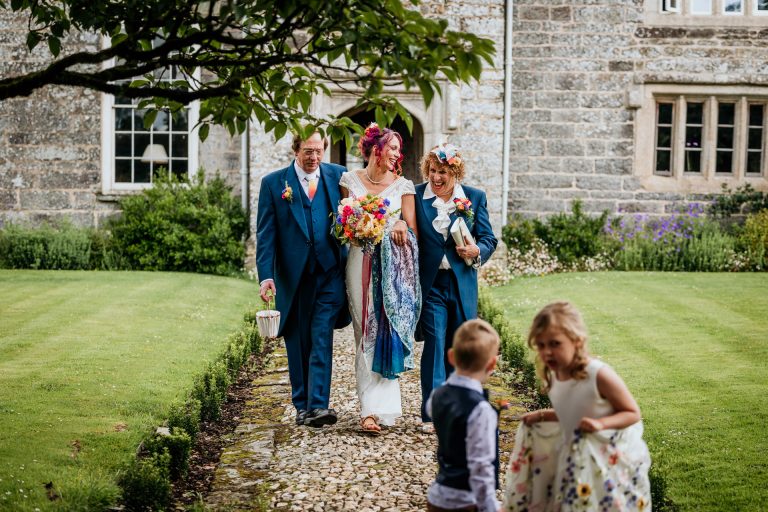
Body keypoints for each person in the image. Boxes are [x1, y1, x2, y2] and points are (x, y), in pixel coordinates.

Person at [503, 301, 651, 511]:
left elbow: (632, 413)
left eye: (555, 344)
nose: (547, 353)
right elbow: (573, 413)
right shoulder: (554, 375)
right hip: (575, 456)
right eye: (541, 345)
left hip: (605, 462)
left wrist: (600, 424)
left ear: (577, 340)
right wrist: (543, 415)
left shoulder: (598, 374)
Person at [256, 131, 349, 428]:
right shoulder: (273, 184)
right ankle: (302, 406)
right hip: (293, 277)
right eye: (309, 151)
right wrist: (266, 276)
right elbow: (266, 235)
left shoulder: (339, 176)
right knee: (297, 342)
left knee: (321, 335)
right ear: (295, 150)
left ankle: (318, 405)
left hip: (329, 272)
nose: (315, 158)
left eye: (319, 151)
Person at [339, 122, 420, 434]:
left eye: (399, 150)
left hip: (392, 268)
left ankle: (382, 408)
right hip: (359, 260)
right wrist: (356, 227)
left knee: (387, 329)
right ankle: (367, 409)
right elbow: (343, 224)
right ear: (376, 149)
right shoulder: (349, 180)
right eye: (393, 148)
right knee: (363, 330)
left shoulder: (404, 186)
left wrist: (400, 225)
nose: (397, 155)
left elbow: (411, 230)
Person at [415, 143, 498, 424]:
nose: (436, 178)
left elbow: (489, 239)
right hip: (431, 285)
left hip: (462, 283)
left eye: (443, 173)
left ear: (456, 174)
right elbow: (401, 224)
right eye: (433, 171)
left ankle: (455, 408)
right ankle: (431, 411)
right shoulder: (414, 196)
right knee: (436, 343)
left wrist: (478, 251)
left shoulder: (474, 197)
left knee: (460, 347)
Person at [426, 318, 501, 512]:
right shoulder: (482, 410)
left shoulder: (437, 395)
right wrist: (490, 507)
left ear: (451, 356)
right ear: (492, 364)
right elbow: (480, 466)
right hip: (467, 501)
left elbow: (430, 412)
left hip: (438, 496)